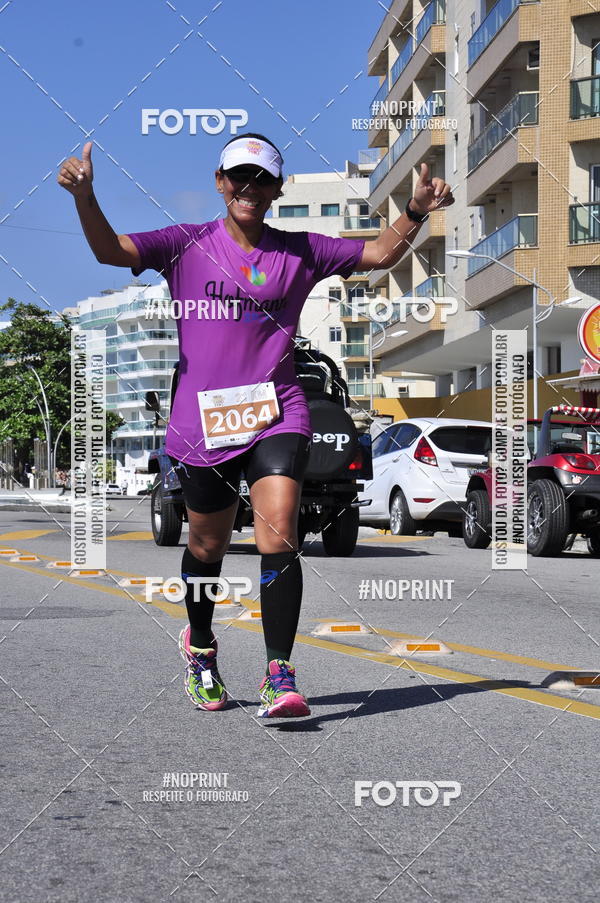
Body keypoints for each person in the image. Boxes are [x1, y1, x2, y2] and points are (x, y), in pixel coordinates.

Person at [58, 133, 454, 717]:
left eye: (261, 179)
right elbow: (110, 252)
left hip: (277, 412)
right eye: (238, 177)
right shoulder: (184, 244)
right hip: (202, 423)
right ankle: (200, 646)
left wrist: (416, 211)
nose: (249, 188)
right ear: (220, 182)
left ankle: (279, 675)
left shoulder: (301, 251)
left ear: (277, 189)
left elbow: (377, 255)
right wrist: (85, 197)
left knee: (278, 533)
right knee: (207, 546)